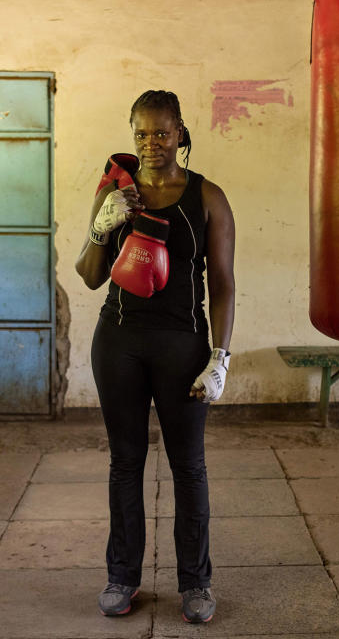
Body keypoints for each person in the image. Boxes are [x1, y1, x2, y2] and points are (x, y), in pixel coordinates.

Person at [75, 89, 236, 624]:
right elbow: (91, 275)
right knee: (126, 463)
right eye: (141, 133)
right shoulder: (118, 193)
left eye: (162, 133)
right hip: (118, 340)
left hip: (182, 346)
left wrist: (221, 357)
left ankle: (195, 584)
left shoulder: (207, 197)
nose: (151, 144)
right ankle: (122, 577)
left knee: (189, 466)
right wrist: (101, 226)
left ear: (180, 132)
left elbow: (225, 285)